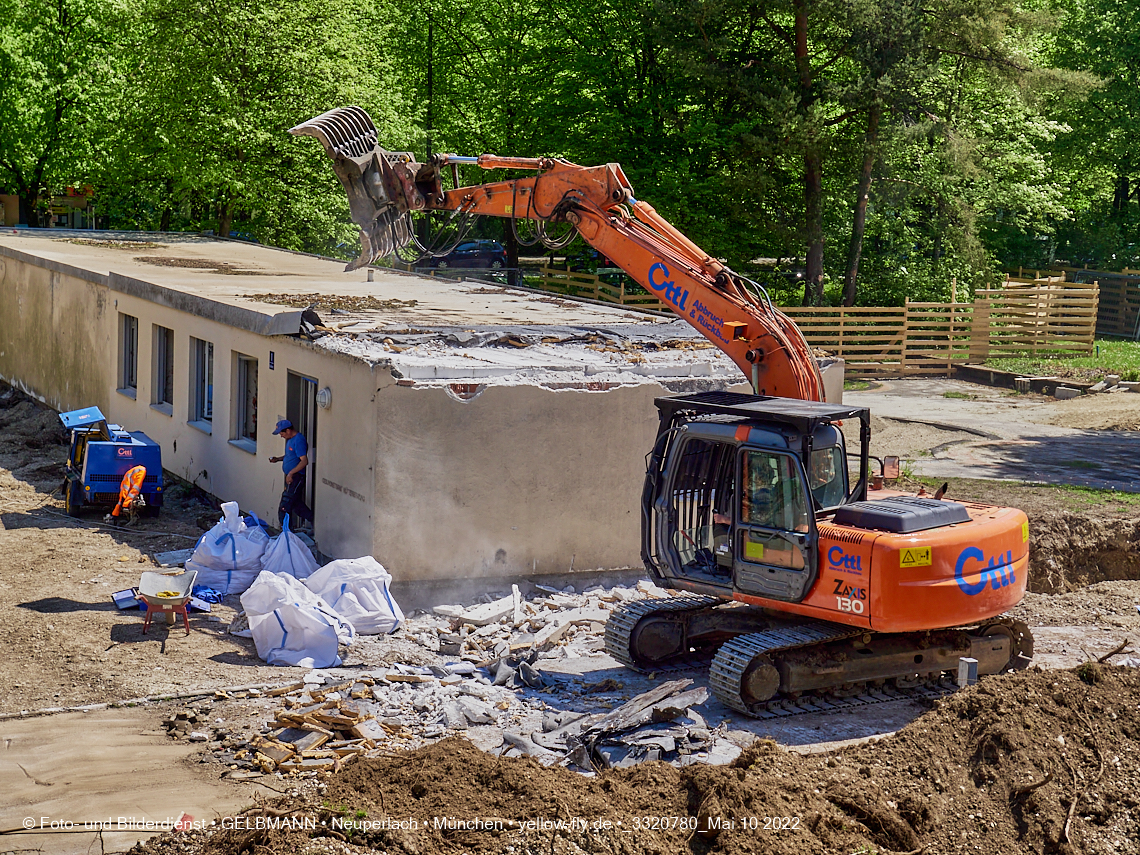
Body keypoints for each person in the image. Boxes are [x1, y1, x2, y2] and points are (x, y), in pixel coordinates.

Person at [270, 419, 313, 531]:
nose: (281, 436)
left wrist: (291, 473)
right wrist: (278, 459)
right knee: (296, 504)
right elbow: (291, 455)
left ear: (288, 430)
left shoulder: (299, 440)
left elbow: (304, 461)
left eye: (282, 433)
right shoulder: (290, 440)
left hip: (296, 477)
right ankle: (313, 520)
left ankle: (286, 532)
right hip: (291, 476)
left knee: (285, 504)